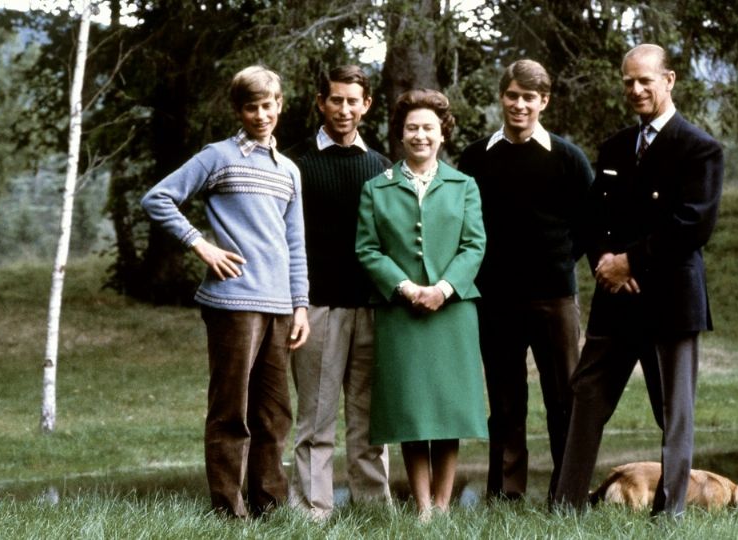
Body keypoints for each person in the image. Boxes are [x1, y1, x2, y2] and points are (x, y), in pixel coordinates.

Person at [553, 43, 723, 517]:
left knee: (673, 413)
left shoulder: (699, 148)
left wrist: (631, 261)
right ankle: (566, 507)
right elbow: (589, 218)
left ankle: (670, 515)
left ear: (668, 81)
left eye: (646, 80)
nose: (636, 89)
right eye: (628, 81)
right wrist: (605, 260)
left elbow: (694, 224)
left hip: (670, 303)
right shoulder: (613, 148)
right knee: (585, 396)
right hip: (615, 300)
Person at [140, 65, 309, 518]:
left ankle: (270, 509)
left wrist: (301, 305)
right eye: (251, 107)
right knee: (231, 411)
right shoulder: (218, 156)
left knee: (274, 415)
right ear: (239, 109)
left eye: (268, 105)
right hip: (233, 302)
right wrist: (201, 245)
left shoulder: (289, 171)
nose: (260, 114)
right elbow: (158, 198)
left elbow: (295, 243)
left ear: (280, 106)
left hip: (279, 305)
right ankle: (228, 513)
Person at [457, 59, 593, 501]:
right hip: (495, 299)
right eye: (513, 96)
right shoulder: (476, 157)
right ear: (502, 97)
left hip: (554, 297)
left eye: (529, 98)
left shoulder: (568, 159)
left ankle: (566, 494)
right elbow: (464, 224)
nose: (519, 105)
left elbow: (588, 227)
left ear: (544, 102)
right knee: (506, 401)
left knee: (563, 400)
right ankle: (506, 493)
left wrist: (556, 263)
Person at [355, 88, 487, 521]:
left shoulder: (464, 185)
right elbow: (368, 250)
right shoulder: (377, 188)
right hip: (401, 312)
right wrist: (408, 288)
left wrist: (443, 288)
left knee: (448, 411)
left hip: (452, 311)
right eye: (412, 127)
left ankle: (445, 505)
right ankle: (423, 506)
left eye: (429, 127)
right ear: (400, 133)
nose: (420, 135)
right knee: (412, 411)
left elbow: (474, 245)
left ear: (443, 133)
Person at [286, 65, 392, 521]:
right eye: (336, 100)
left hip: (373, 308)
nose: (344, 109)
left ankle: (374, 511)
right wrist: (298, 304)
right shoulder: (295, 164)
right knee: (316, 419)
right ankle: (313, 512)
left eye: (353, 101)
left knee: (370, 421)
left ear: (366, 105)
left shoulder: (383, 168)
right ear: (320, 102)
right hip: (318, 308)